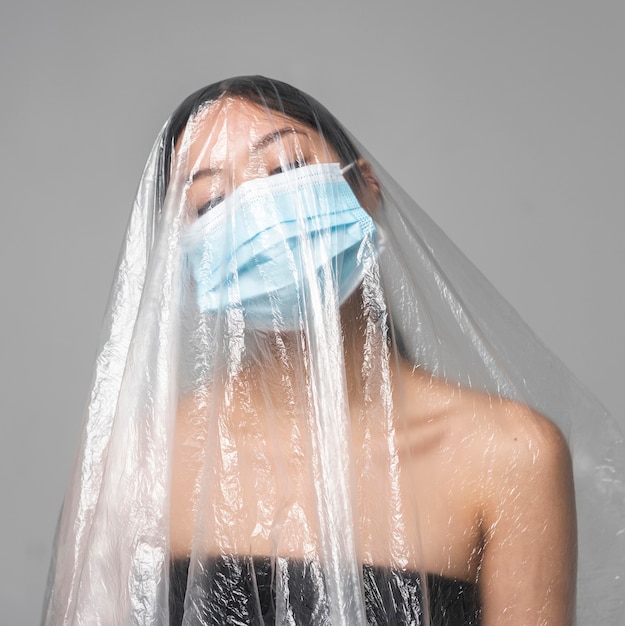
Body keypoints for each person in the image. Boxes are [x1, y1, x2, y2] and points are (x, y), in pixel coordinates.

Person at [42, 76, 625, 625]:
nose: (258, 214)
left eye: (286, 167)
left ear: (364, 188)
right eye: (210, 203)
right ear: (188, 261)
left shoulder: (508, 455)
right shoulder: (135, 463)